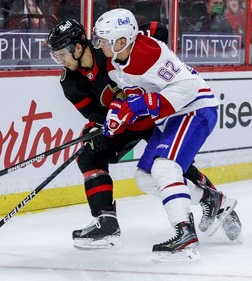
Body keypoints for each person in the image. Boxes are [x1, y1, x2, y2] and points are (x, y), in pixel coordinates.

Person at [47, 18, 242, 252]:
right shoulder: (69, 81)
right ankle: (105, 221)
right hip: (123, 120)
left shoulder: (110, 44)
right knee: (88, 155)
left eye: (61, 54)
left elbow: (156, 29)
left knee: (173, 165)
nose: (59, 60)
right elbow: (93, 112)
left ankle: (215, 202)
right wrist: (98, 129)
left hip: (152, 115)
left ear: (77, 48)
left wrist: (155, 61)